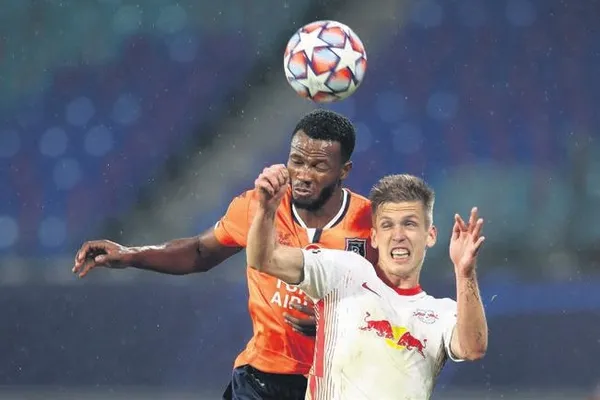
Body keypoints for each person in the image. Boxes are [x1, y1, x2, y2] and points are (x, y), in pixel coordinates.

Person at [72, 109, 377, 400]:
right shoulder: (258, 206)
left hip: (339, 379)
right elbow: (200, 252)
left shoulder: (372, 223)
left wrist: (338, 322)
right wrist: (131, 255)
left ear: (344, 170)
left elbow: (394, 301)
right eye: (296, 161)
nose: (303, 175)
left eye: (319, 166)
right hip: (262, 379)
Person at [247, 165, 488, 399]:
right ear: (374, 237)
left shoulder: (441, 313)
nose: (398, 235)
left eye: (410, 224)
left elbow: (473, 348)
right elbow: (264, 258)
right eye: (387, 225)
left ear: (430, 235)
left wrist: (465, 273)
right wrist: (267, 209)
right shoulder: (342, 271)